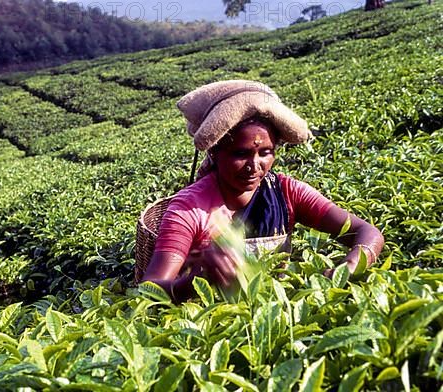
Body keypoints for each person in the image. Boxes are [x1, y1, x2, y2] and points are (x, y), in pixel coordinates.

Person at [141, 80, 384, 303]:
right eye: (240, 154)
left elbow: (366, 232)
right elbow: (150, 288)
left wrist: (347, 268)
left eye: (265, 152)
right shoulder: (189, 209)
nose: (254, 166)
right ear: (214, 152)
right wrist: (197, 281)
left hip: (275, 313)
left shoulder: (287, 192)